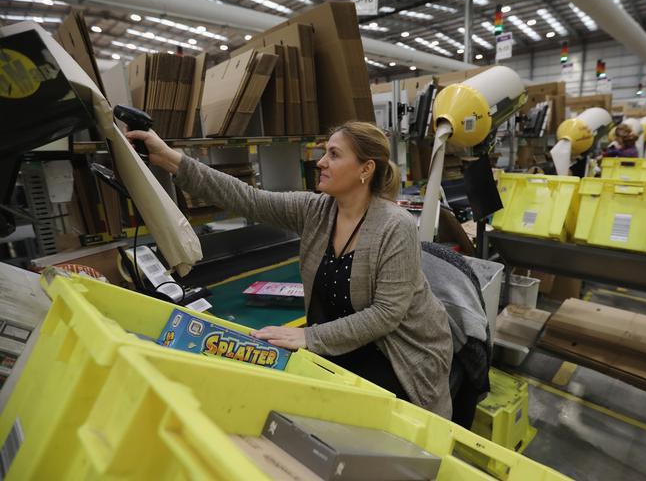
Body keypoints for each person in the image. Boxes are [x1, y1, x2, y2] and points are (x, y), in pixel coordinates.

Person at [126, 121, 454, 418]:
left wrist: (309, 336)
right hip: (342, 342)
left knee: (351, 422)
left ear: (365, 169)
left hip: (397, 351)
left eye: (334, 155)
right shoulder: (316, 210)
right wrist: (169, 158)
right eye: (325, 152)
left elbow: (386, 314)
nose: (321, 162)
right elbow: (248, 199)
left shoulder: (395, 226)